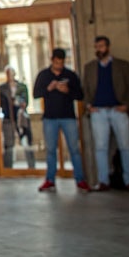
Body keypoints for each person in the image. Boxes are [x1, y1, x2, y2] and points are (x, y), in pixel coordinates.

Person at [82, 35, 129, 193]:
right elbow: (85, 89)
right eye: (96, 47)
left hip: (117, 110)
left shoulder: (122, 65)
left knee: (125, 146)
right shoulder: (90, 67)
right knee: (100, 147)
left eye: (101, 46)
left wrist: (126, 105)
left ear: (108, 47)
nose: (98, 50)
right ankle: (103, 181)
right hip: (98, 111)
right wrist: (88, 105)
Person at [33, 48, 90, 193]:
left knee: (74, 149)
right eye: (56, 62)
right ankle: (50, 180)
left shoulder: (70, 75)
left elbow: (80, 95)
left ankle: (80, 179)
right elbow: (36, 94)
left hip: (68, 117)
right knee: (51, 150)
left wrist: (68, 91)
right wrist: (49, 88)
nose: (59, 65)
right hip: (50, 118)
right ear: (52, 60)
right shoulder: (44, 75)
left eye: (61, 63)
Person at [0, 65, 35, 169]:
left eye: (11, 73)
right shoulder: (2, 88)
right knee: (9, 145)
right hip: (8, 119)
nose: (10, 75)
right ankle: (8, 169)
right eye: (8, 73)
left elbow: (26, 101)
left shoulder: (22, 86)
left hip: (21, 118)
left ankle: (32, 167)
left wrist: (22, 103)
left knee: (27, 142)